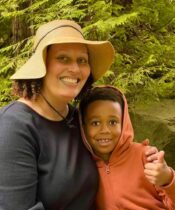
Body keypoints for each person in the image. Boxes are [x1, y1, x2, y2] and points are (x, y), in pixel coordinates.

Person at [0, 19, 116, 209]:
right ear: (42, 66)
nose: (75, 69)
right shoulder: (13, 127)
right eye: (63, 58)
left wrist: (149, 161)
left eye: (82, 60)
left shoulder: (80, 119)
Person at [79, 85, 175, 210]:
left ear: (124, 123)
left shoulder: (145, 156)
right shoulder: (84, 166)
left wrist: (168, 178)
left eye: (113, 122)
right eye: (95, 123)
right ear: (83, 126)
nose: (105, 130)